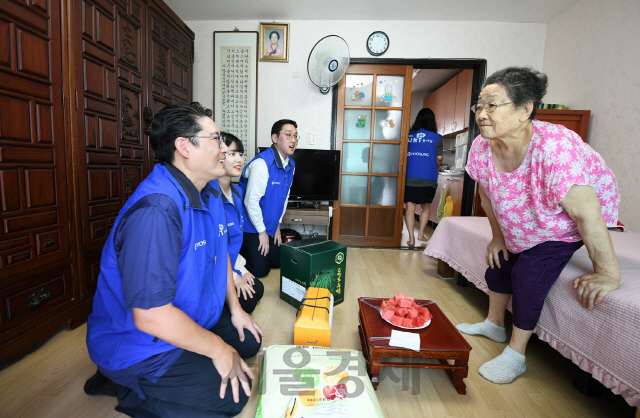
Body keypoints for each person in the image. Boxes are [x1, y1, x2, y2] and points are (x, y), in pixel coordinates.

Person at [83, 103, 264, 417]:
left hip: (188, 320)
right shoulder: (157, 211)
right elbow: (150, 316)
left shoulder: (208, 193)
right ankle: (129, 387)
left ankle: (170, 370)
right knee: (231, 399)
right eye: (216, 139)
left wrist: (236, 310)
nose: (225, 149)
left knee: (248, 342)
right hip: (139, 343)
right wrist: (219, 349)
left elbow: (221, 254)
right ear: (184, 147)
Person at [456, 66, 620, 384]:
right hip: (526, 214)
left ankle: (516, 355)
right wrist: (498, 237)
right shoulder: (481, 147)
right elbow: (487, 194)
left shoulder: (557, 150)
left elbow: (587, 215)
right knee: (499, 262)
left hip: (562, 222)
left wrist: (607, 274)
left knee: (528, 275)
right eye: (479, 105)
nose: (481, 113)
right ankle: (494, 323)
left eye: (492, 104)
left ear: (524, 109)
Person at [239, 119, 297, 278]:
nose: (293, 140)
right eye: (288, 135)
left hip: (268, 223)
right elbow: (250, 202)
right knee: (261, 270)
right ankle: (238, 252)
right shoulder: (262, 163)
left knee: (278, 260)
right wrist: (262, 232)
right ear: (275, 138)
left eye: (296, 136)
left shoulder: (290, 165)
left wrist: (277, 224)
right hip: (250, 225)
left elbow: (283, 198)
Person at [214, 132, 264, 314]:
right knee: (249, 301)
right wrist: (234, 276)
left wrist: (240, 268)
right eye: (232, 154)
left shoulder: (237, 192)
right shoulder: (210, 195)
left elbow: (234, 243)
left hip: (232, 262)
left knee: (258, 289)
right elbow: (215, 248)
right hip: (216, 268)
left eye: (241, 155)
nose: (239, 160)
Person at [404, 108, 443, 246]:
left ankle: (411, 238)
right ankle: (420, 234)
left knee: (410, 208)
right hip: (428, 176)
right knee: (426, 207)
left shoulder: (408, 135)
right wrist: (436, 167)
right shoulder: (436, 137)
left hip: (409, 176)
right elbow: (439, 157)